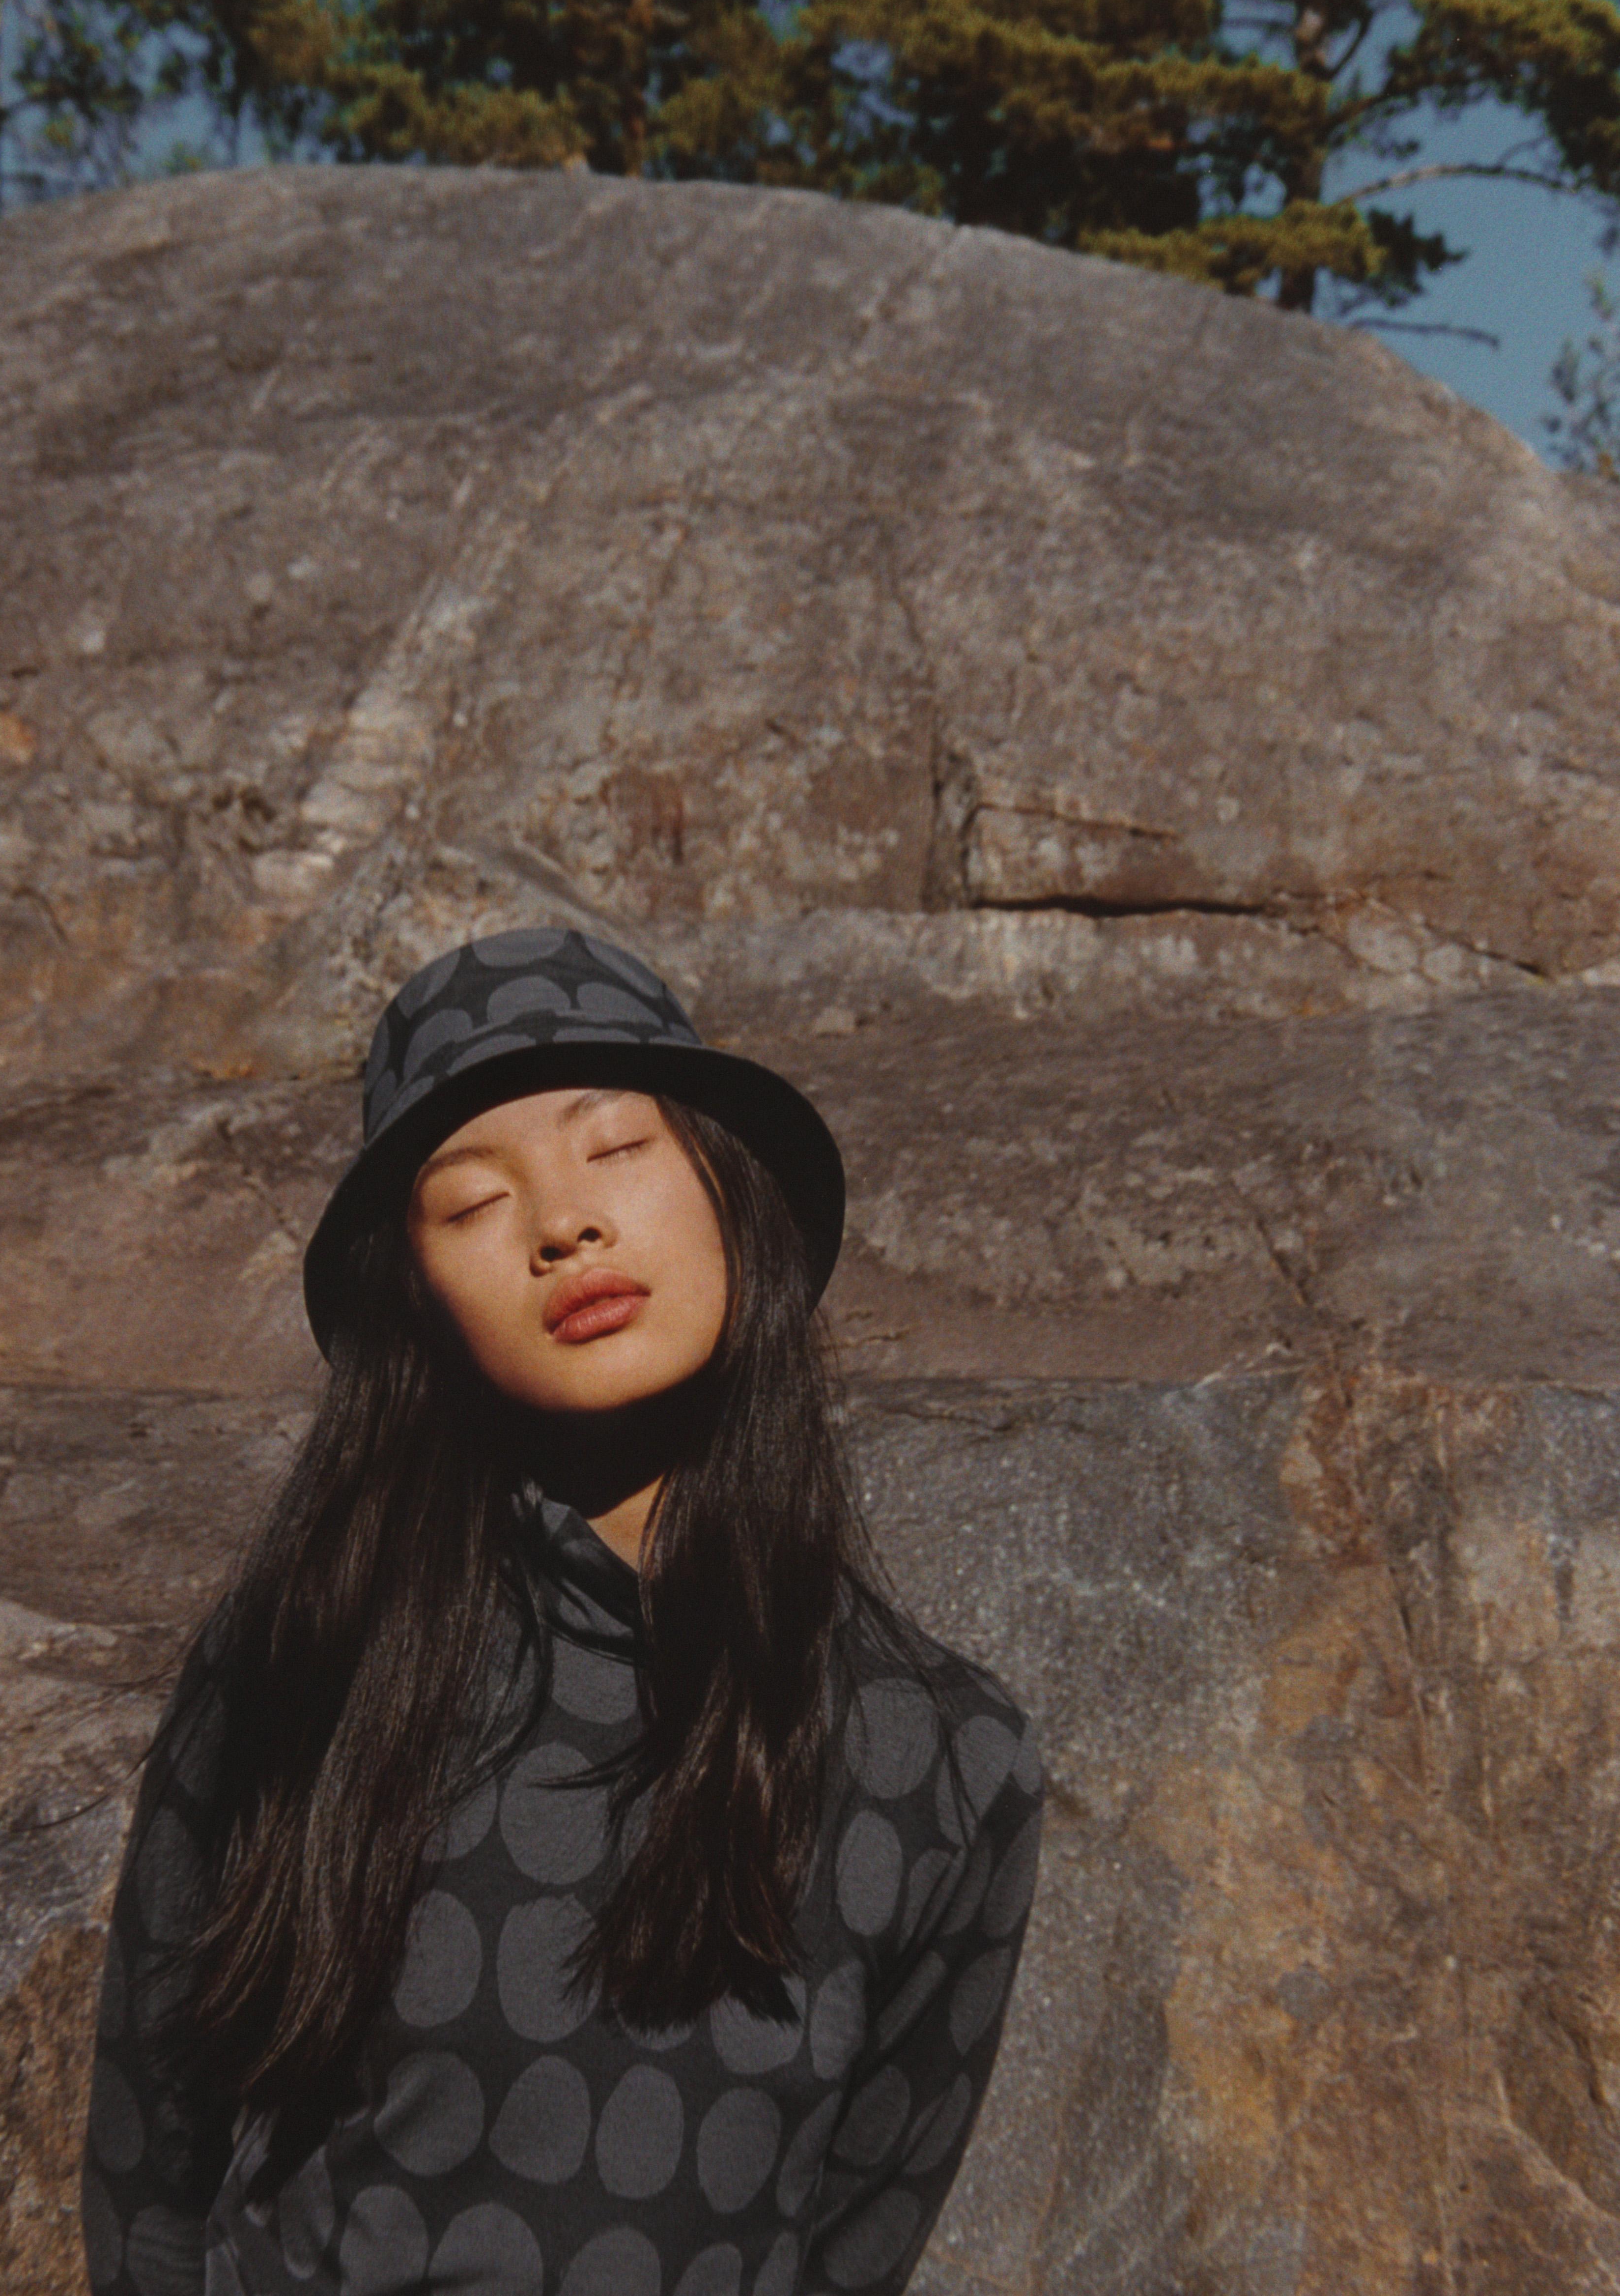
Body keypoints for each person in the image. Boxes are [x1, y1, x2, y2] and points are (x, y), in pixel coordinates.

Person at [82, 926, 1043, 2296]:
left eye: (619, 1149)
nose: (563, 1224)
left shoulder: (946, 1760)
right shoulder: (306, 1656)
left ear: (727, 1183)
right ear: (409, 1298)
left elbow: (849, 2248)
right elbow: (149, 2188)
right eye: (474, 1203)